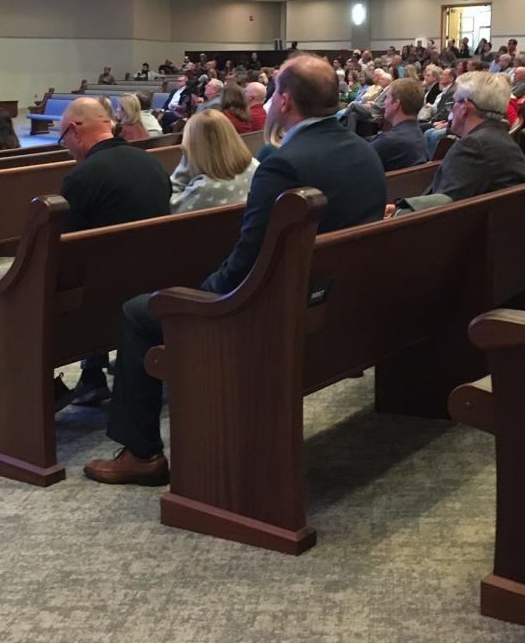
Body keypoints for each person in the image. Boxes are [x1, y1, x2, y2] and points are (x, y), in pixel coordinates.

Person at [84, 56, 386, 484]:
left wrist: (200, 298)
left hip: (279, 316)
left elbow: (247, 263)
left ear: (284, 99)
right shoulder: (363, 151)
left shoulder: (284, 163)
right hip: (339, 308)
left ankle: (142, 453)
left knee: (138, 312)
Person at [54, 98, 172, 409]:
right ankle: (92, 376)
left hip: (99, 302)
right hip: (151, 283)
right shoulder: (152, 164)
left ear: (75, 131)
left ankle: (83, 377)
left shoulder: (82, 177)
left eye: (63, 139)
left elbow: (61, 251)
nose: (65, 147)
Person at [393, 72, 525, 210]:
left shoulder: (473, 146)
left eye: (453, 103)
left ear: (464, 107)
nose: (451, 109)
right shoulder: (501, 137)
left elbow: (443, 208)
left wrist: (399, 213)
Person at [169, 110, 259, 213]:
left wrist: (185, 162)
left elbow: (171, 206)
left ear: (193, 148)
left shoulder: (204, 187)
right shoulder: (255, 166)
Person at [370, 78, 427, 172]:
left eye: (387, 97)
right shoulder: (418, 135)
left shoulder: (388, 141)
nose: (384, 103)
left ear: (396, 104)